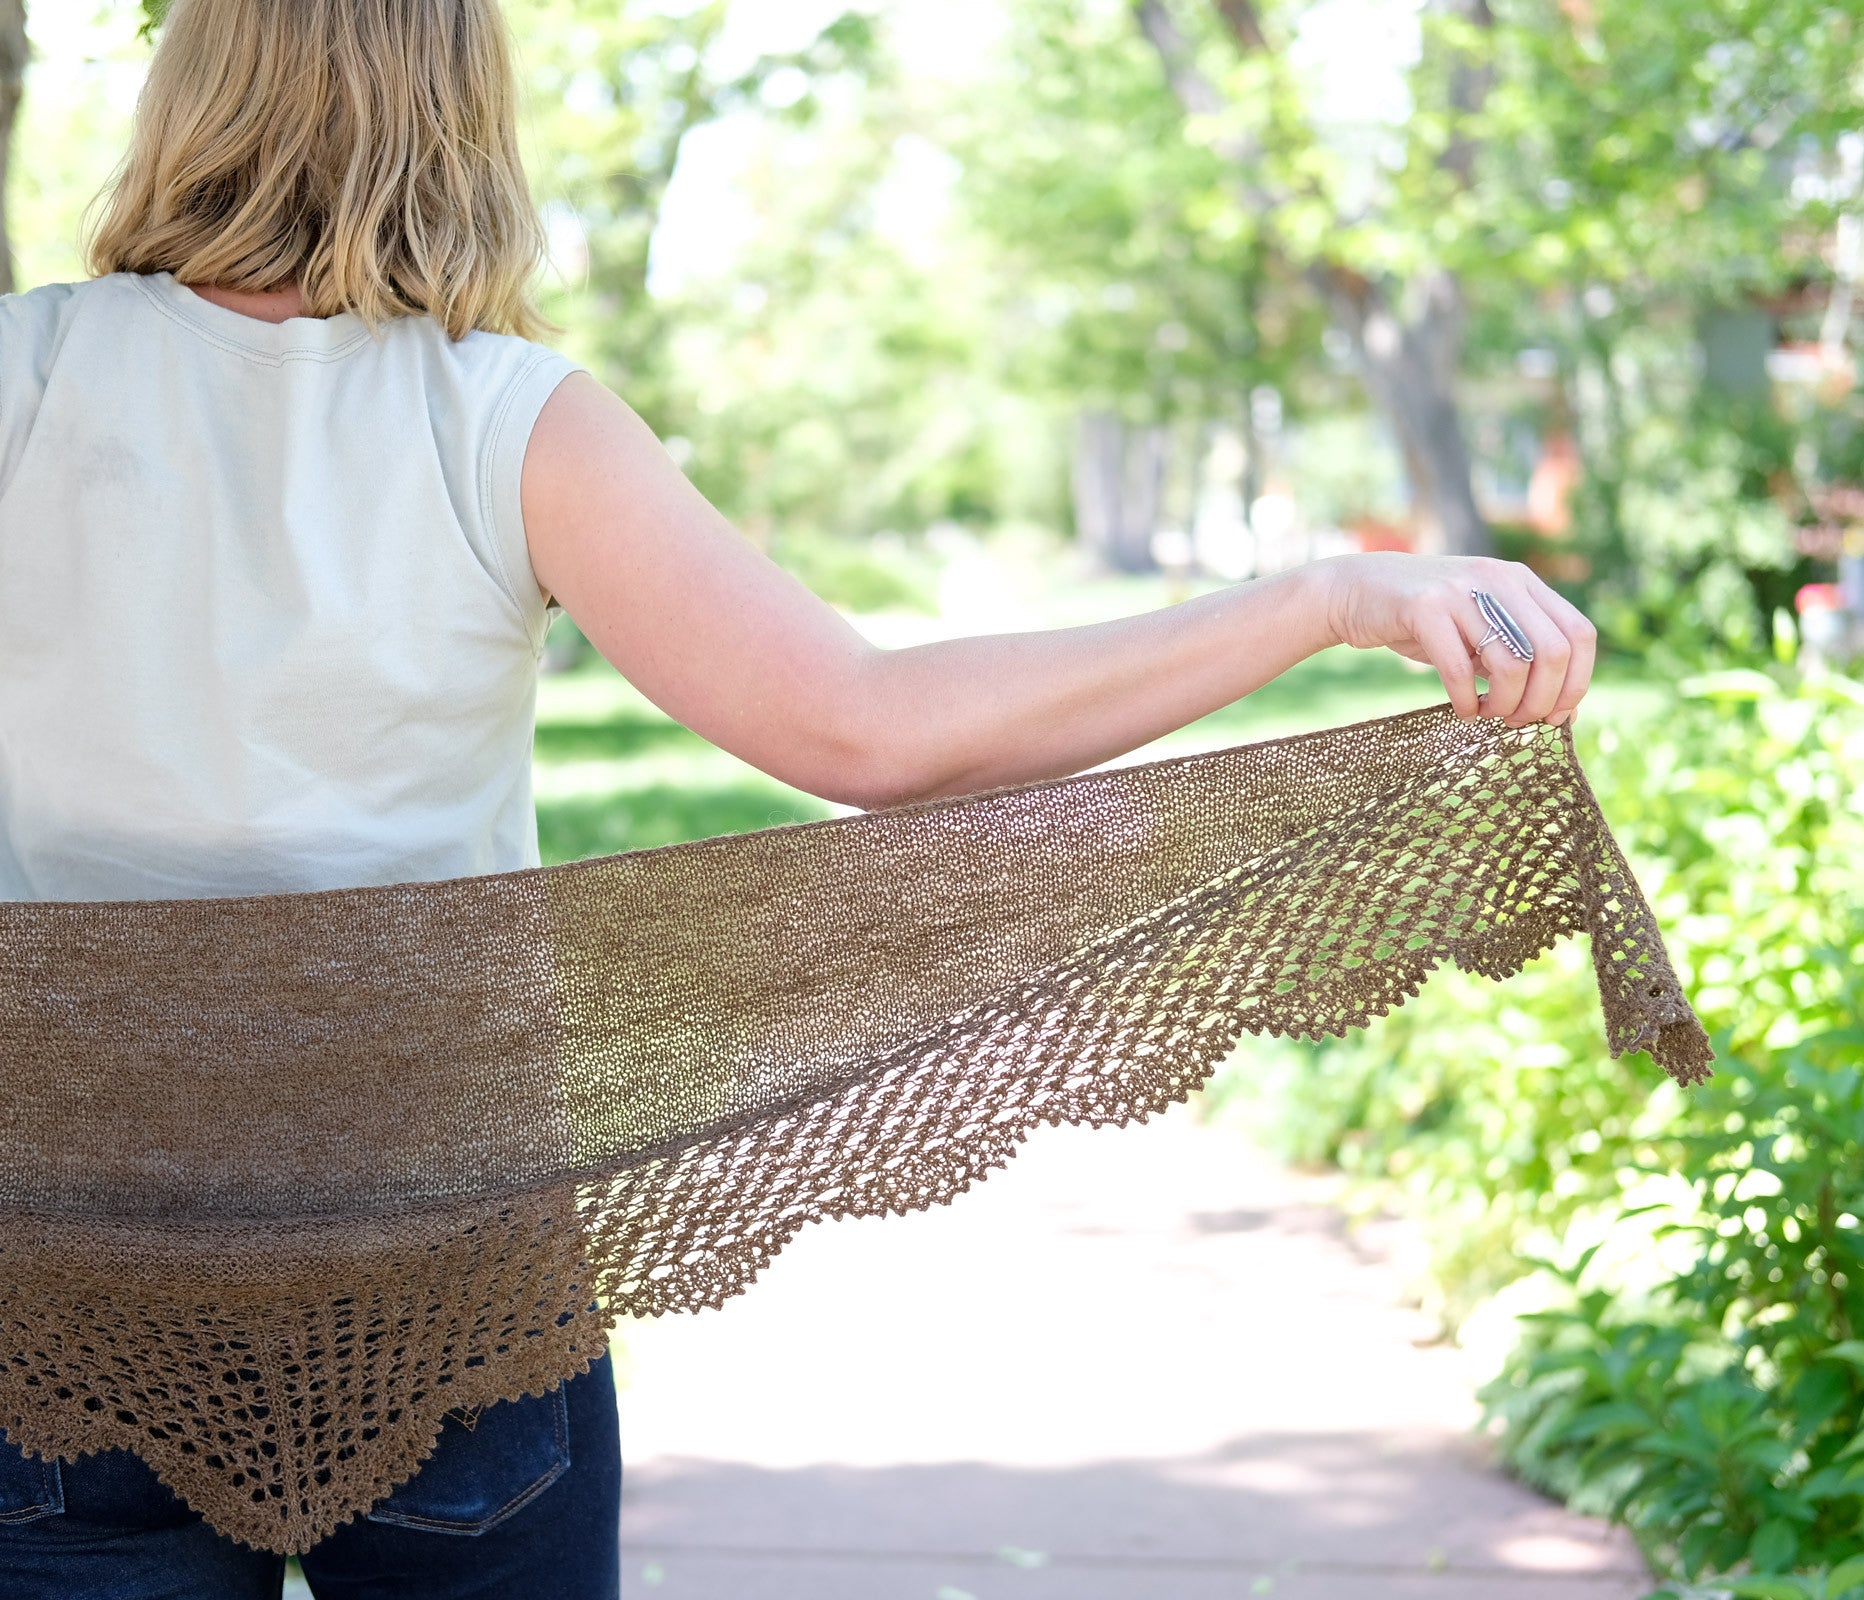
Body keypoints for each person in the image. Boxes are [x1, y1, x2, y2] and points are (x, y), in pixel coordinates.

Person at [0, 0, 1596, 1595]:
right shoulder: (509, 418)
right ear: (460, 114)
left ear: (184, 89)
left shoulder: (28, 372)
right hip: (435, 1252)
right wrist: (1322, 597)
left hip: (64, 1251)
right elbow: (873, 728)